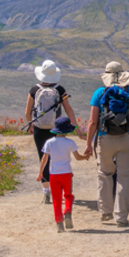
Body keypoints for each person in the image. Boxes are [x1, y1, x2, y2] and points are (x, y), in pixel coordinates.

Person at [84, 61, 129, 227]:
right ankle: (122, 217)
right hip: (127, 138)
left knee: (104, 173)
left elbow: (92, 122)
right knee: (124, 178)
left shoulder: (99, 93)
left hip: (105, 138)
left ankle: (105, 212)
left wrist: (89, 144)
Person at [24, 59, 78, 204]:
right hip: (56, 128)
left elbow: (27, 111)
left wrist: (30, 125)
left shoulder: (34, 90)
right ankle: (59, 189)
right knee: (58, 158)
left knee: (43, 158)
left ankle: (47, 192)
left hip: (39, 127)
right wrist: (75, 127)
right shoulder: (60, 90)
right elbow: (68, 109)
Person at [38, 116, 88, 232]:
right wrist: (86, 156)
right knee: (68, 195)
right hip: (66, 174)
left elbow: (44, 159)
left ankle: (59, 224)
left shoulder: (49, 143)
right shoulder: (70, 142)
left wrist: (40, 173)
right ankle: (68, 212)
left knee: (56, 200)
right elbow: (78, 157)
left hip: (54, 175)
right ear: (67, 130)